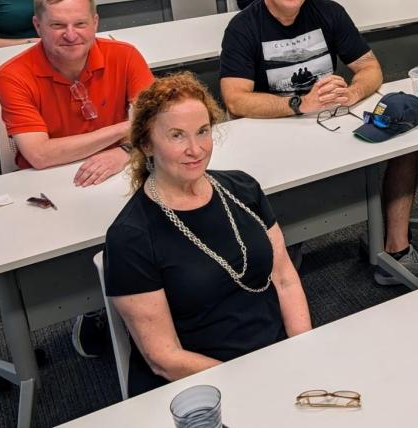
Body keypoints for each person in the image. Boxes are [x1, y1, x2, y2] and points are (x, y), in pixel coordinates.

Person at [219, 0, 418, 286]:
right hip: (277, 131)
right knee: (282, 257)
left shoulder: (329, 12)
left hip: (329, 120)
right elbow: (235, 99)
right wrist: (299, 104)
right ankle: (284, 250)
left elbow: (370, 68)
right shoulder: (243, 27)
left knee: (404, 145)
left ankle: (395, 251)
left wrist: (353, 93)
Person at [105, 72, 311, 396]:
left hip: (275, 356)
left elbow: (285, 278)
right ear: (146, 144)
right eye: (177, 136)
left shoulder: (242, 188)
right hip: (202, 384)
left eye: (202, 131)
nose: (195, 149)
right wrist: (252, 383)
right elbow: (164, 358)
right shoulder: (130, 237)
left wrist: (303, 351)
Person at [0, 0, 154, 359]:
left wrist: (125, 152)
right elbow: (39, 155)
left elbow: (156, 122)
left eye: (80, 23)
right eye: (57, 25)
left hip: (119, 171)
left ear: (95, 22)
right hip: (53, 186)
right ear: (37, 26)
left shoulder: (125, 55)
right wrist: (124, 130)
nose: (70, 34)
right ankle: (95, 307)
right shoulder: (12, 75)